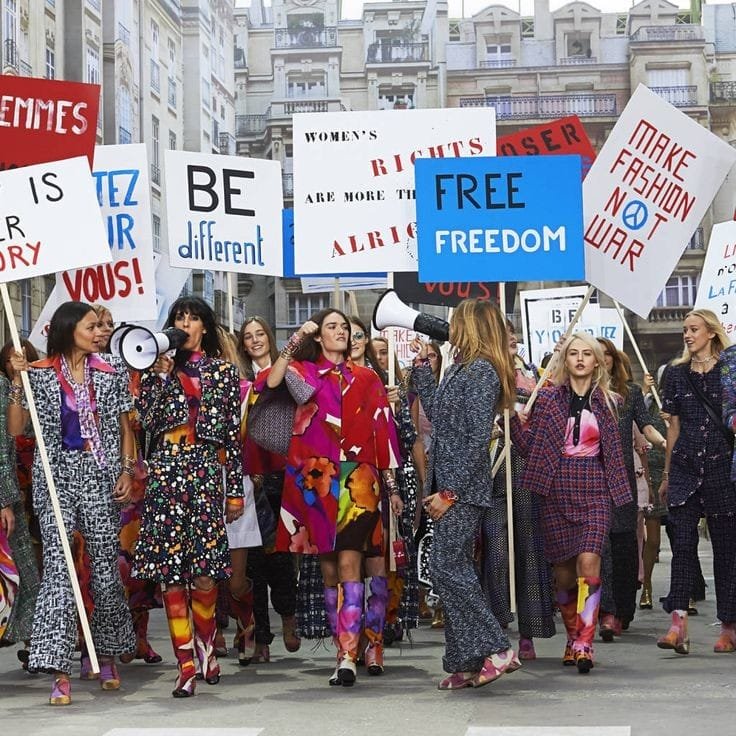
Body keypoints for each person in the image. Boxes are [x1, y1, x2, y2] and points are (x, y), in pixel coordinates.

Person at [260, 308, 401, 687]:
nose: (341, 332)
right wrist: (296, 339)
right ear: (319, 337)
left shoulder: (368, 377)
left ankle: (353, 652)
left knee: (355, 563)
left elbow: (383, 430)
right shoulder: (305, 372)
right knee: (328, 570)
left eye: (345, 327)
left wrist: (391, 486)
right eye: (331, 327)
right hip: (315, 477)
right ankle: (352, 645)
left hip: (360, 477)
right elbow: (272, 379)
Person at [7, 301, 136, 705]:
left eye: (101, 326)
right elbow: (14, 428)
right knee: (60, 573)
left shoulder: (111, 372)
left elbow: (124, 428)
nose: (100, 331)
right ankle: (57, 669)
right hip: (55, 479)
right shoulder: (40, 375)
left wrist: (127, 470)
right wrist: (16, 379)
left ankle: (107, 652)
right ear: (68, 329)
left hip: (101, 479)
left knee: (104, 568)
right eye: (92, 325)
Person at [132, 297, 244, 697]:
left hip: (205, 473)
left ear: (205, 328)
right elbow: (145, 420)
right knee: (170, 574)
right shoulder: (152, 370)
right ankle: (185, 664)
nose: (185, 323)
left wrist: (235, 493)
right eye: (179, 317)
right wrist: (160, 376)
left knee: (203, 572)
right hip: (166, 473)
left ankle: (207, 649)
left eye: (193, 318)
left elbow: (233, 437)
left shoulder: (223, 372)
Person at [411, 298, 520, 690]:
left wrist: (450, 493)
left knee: (447, 568)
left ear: (472, 326)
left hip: (460, 488)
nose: (450, 326)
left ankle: (495, 646)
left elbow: (475, 440)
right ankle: (466, 660)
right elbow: (439, 417)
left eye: (456, 321)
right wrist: (424, 368)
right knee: (450, 568)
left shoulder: (482, 373)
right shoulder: (463, 368)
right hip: (450, 484)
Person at [510, 332, 630, 674]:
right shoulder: (546, 400)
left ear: (596, 361)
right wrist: (514, 425)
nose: (579, 359)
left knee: (590, 561)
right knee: (563, 575)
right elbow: (530, 448)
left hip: (594, 487)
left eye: (586, 354)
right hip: (556, 488)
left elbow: (612, 453)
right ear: (565, 360)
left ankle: (585, 643)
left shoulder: (610, 401)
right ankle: (572, 634)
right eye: (573, 353)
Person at [659, 309, 735, 654]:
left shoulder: (729, 372)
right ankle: (678, 623)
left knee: (726, 550)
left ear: (711, 332)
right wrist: (667, 473)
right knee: (683, 546)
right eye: (684, 331)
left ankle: (729, 626)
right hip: (686, 467)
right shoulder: (674, 375)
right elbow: (672, 427)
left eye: (693, 329)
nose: (687, 336)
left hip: (722, 468)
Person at [482, 319, 555, 661]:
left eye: (513, 333)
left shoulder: (534, 373)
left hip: (525, 471)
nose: (511, 338)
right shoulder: (481, 372)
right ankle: (496, 627)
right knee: (496, 553)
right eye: (503, 333)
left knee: (528, 552)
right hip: (492, 473)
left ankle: (529, 631)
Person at [235, 317, 299, 664]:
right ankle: (261, 636)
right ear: (243, 345)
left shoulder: (287, 372)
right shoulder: (239, 382)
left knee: (281, 557)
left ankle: (288, 615)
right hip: (250, 476)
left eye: (261, 333)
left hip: (284, 473)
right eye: (249, 336)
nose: (256, 340)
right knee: (253, 561)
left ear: (270, 338)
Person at [596, 340, 666, 639]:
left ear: (614, 359)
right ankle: (606, 612)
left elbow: (647, 425)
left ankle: (623, 610)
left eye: (605, 355)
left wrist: (666, 441)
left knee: (625, 546)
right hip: (591, 478)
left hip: (622, 478)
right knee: (601, 548)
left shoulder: (631, 393)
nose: (601, 360)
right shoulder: (583, 393)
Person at [0, 360, 40, 663]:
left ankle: (33, 642)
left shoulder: (3, 386)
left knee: (22, 575)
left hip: (8, 496)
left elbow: (9, 439)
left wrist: (18, 384)